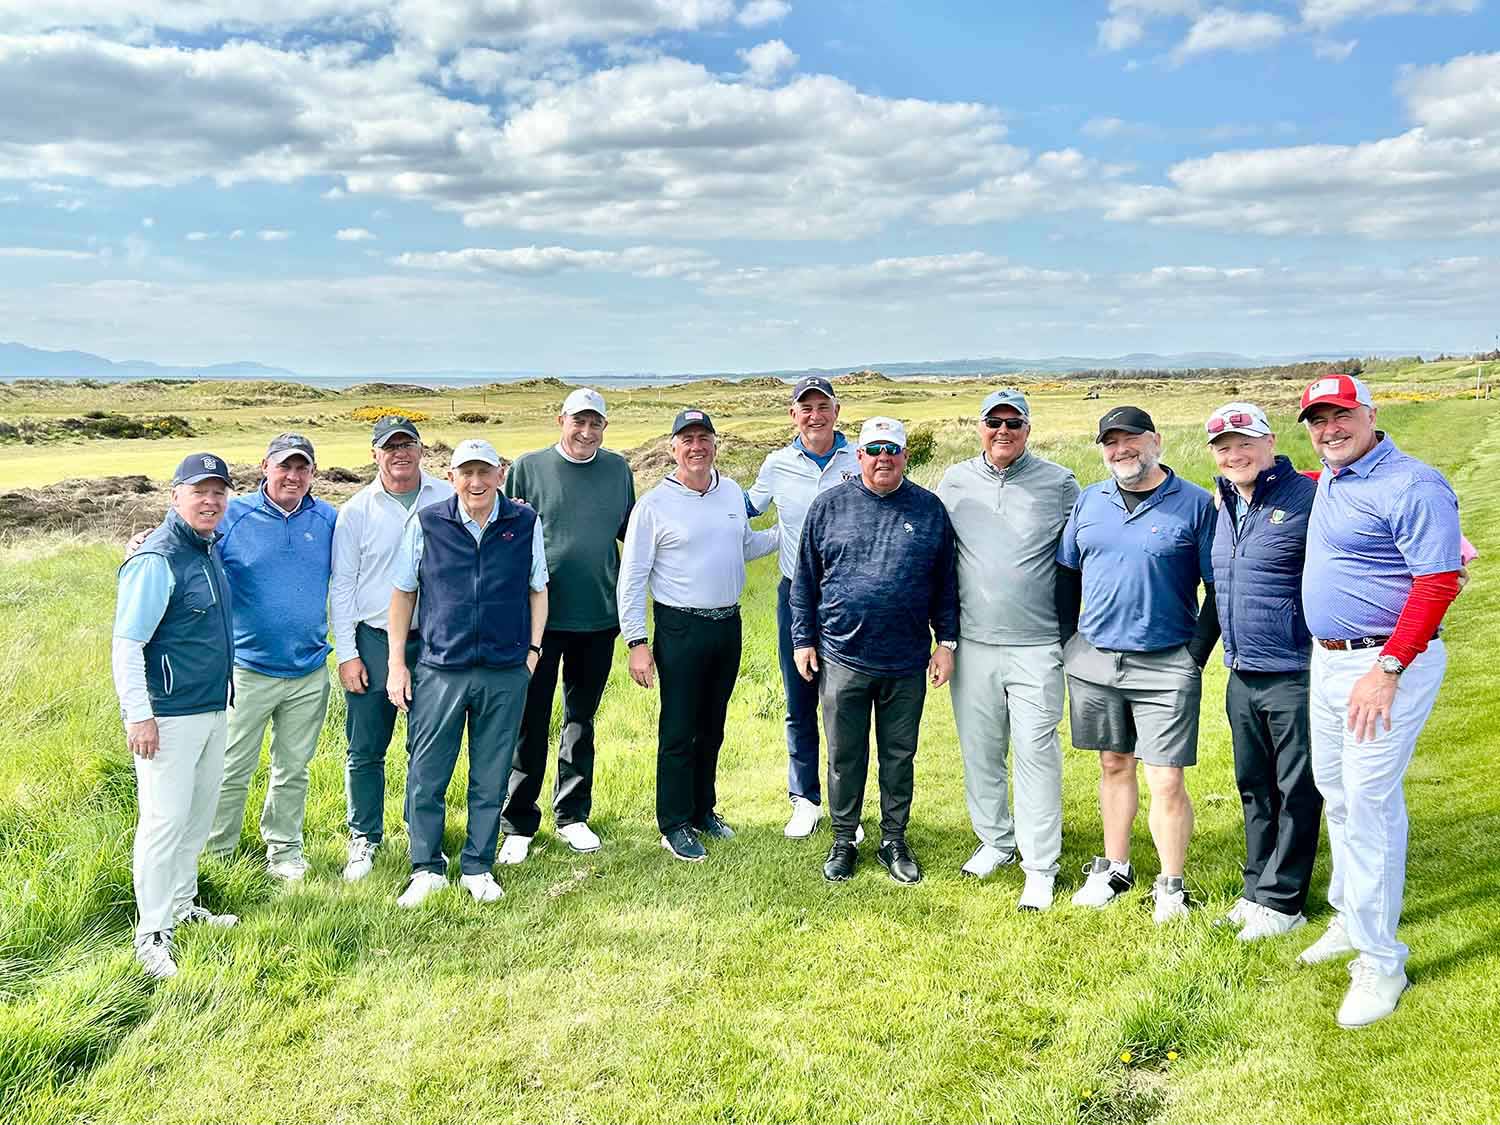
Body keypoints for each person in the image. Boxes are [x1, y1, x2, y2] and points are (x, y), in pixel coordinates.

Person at [1294, 373, 1461, 1028]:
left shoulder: (1412, 482)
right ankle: (1350, 913)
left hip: (1385, 662)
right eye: (1317, 419)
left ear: (1370, 412)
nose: (1329, 428)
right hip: (1329, 657)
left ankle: (1380, 958)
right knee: (1336, 790)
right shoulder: (1335, 475)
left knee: (1369, 803)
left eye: (1340, 416)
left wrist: (1388, 666)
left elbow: (1437, 580)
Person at [1056, 406, 1218, 922]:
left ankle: (1171, 884)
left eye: (1132, 440)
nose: (1121, 450)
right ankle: (1116, 868)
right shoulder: (1090, 500)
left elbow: (1217, 589)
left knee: (1166, 778)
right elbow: (1066, 574)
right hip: (1097, 659)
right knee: (1113, 763)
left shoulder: (1194, 504)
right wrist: (1070, 642)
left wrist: (1195, 655)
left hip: (1167, 661)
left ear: (1156, 441)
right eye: (1111, 443)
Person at [792, 417, 959, 886]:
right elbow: (804, 582)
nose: (883, 457)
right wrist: (803, 639)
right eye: (874, 449)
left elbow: (946, 585)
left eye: (893, 449)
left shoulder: (929, 509)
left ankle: (894, 839)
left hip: (906, 659)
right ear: (858, 455)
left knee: (898, 754)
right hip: (842, 656)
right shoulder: (828, 507)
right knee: (845, 753)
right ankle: (844, 838)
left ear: (905, 456)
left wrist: (945, 644)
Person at [386, 438, 549, 907]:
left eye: (484, 472)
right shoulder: (429, 521)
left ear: (501, 473)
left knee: (491, 772)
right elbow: (403, 593)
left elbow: (538, 588)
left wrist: (533, 651)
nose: (475, 483)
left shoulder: (524, 522)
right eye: (465, 473)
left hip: (505, 668)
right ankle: (427, 867)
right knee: (427, 772)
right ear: (452, 476)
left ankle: (478, 865)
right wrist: (398, 663)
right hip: (441, 667)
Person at [936, 390, 1080, 910]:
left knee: (1035, 752)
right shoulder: (954, 482)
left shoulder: (1060, 483)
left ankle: (1040, 865)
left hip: (1038, 645)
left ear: (1028, 428)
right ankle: (996, 838)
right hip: (972, 643)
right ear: (979, 426)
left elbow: (1085, 551)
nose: (1003, 431)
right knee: (980, 749)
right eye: (993, 422)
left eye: (1013, 422)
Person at [617, 409, 779, 862]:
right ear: (672, 449)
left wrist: (788, 533)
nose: (696, 447)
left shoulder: (729, 492)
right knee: (679, 729)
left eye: (703, 438)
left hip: (728, 625)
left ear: (715, 444)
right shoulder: (653, 506)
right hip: (680, 627)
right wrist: (637, 642)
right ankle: (673, 822)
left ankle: (703, 809)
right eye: (686, 439)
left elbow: (744, 545)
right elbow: (631, 578)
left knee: (712, 726)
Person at [113, 453, 239, 979]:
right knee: (163, 824)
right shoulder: (157, 557)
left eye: (218, 492)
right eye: (199, 491)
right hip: (167, 717)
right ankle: (151, 933)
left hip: (212, 709)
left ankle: (183, 907)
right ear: (175, 496)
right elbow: (127, 645)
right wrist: (138, 716)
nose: (210, 501)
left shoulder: (206, 548)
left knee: (196, 818)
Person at [497, 388, 636, 863]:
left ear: (604, 427)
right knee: (530, 718)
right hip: (537, 621)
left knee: (580, 719)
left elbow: (631, 536)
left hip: (598, 617)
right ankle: (518, 821)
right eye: (579, 421)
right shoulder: (528, 468)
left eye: (595, 423)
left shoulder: (618, 470)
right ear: (561, 421)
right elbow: (507, 535)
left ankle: (572, 814)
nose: (586, 431)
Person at [1201, 402, 1322, 941]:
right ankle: (1257, 889)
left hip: (1296, 669)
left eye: (1244, 442)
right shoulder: (1226, 504)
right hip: (1242, 672)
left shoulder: (1309, 497)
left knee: (1296, 787)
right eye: (1223, 447)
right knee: (1254, 786)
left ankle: (1285, 900)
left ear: (1270, 441)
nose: (1235, 454)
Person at [204, 433, 338, 881]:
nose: (293, 476)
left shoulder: (328, 520)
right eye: (285, 466)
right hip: (247, 669)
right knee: (231, 767)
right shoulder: (233, 514)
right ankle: (218, 853)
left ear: (313, 474)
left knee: (293, 769)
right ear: (265, 466)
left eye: (302, 468)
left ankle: (285, 851)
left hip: (308, 669)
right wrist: (143, 540)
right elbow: (187, 533)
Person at [329, 415, 453, 882]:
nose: (400, 453)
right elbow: (342, 587)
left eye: (408, 444)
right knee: (365, 747)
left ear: (422, 449)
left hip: (436, 641)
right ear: (374, 453)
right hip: (374, 639)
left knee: (427, 746)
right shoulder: (357, 511)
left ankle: (421, 834)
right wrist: (347, 653)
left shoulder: (447, 495)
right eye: (390, 446)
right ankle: (365, 837)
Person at [745, 375, 861, 839]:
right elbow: (743, 510)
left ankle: (845, 804)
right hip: (796, 594)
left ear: (837, 412)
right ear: (793, 415)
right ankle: (805, 799)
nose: (815, 416)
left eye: (823, 407)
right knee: (799, 699)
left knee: (845, 703)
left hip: (850, 595)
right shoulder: (777, 464)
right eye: (805, 408)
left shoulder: (861, 457)